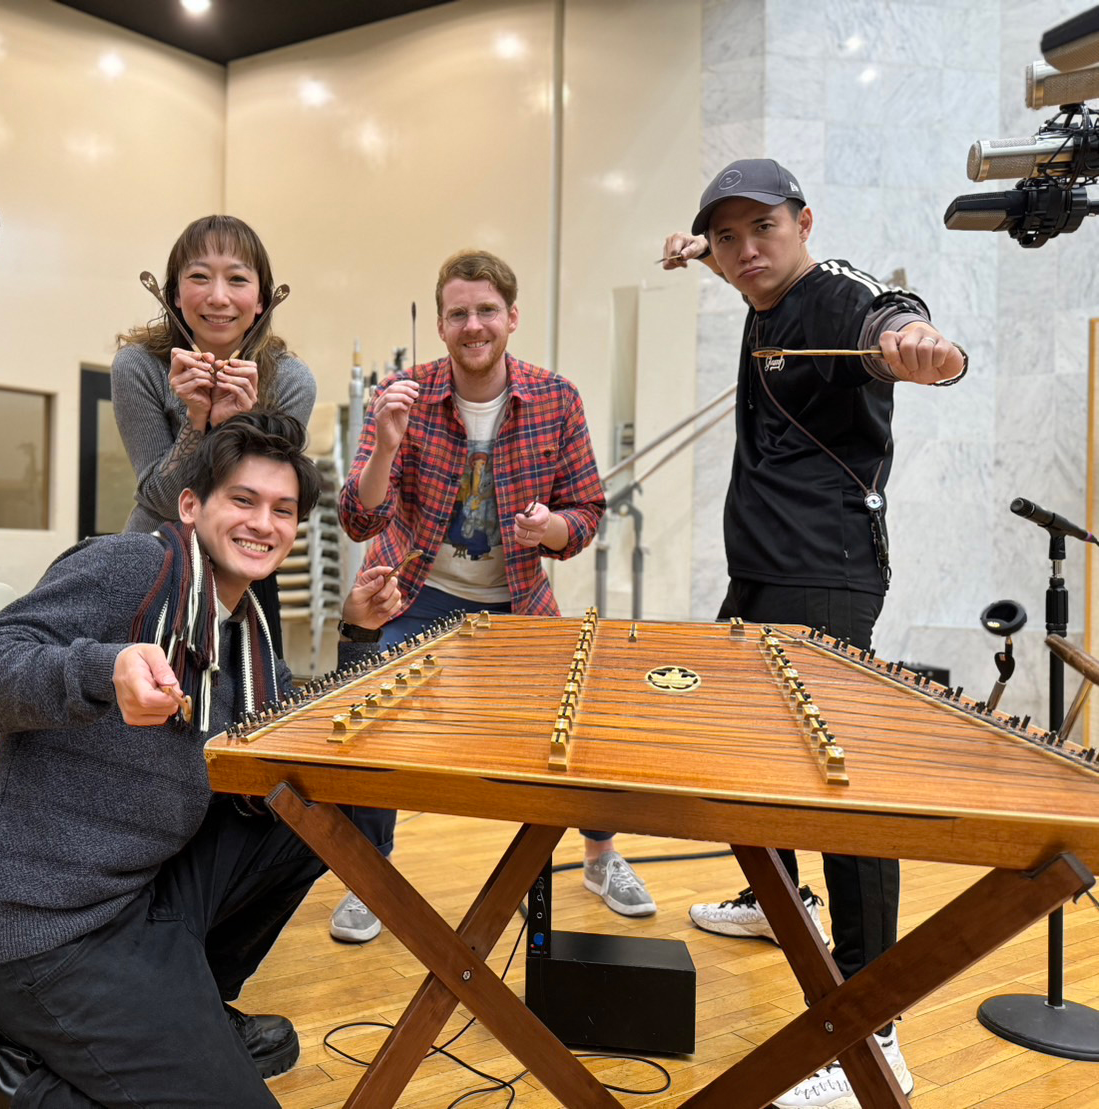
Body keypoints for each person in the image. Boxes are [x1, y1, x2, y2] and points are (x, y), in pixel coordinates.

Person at [0, 410, 404, 1109]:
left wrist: (357, 635)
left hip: (140, 898)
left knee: (319, 805)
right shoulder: (133, 566)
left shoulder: (245, 632)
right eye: (243, 500)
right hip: (38, 932)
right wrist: (100, 670)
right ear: (190, 505)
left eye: (282, 509)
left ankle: (187, 1001)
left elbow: (298, 745)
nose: (263, 522)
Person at [661, 158, 966, 1108]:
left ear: (804, 221)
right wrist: (690, 252)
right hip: (759, 569)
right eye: (725, 237)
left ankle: (876, 1026)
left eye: (763, 229)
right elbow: (734, 263)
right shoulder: (754, 283)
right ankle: (775, 901)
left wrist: (923, 347)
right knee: (741, 746)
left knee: (841, 787)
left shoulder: (839, 298)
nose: (745, 251)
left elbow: (892, 318)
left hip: (825, 574)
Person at [332, 249, 650, 944]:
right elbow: (359, 518)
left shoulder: (555, 398)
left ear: (510, 317)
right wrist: (385, 446)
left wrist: (553, 527)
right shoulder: (403, 394)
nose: (472, 324)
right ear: (441, 324)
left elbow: (586, 511)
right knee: (371, 715)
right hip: (415, 593)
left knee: (585, 712)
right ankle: (370, 875)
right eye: (457, 313)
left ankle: (600, 853)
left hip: (517, 598)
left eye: (485, 311)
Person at [112, 214, 316, 656]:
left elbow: (269, 499)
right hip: (153, 563)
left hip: (245, 569)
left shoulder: (290, 382)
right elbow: (166, 502)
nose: (218, 297)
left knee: (255, 708)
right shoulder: (139, 367)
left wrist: (235, 424)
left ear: (262, 299)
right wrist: (198, 415)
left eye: (238, 279)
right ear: (174, 294)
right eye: (199, 277)